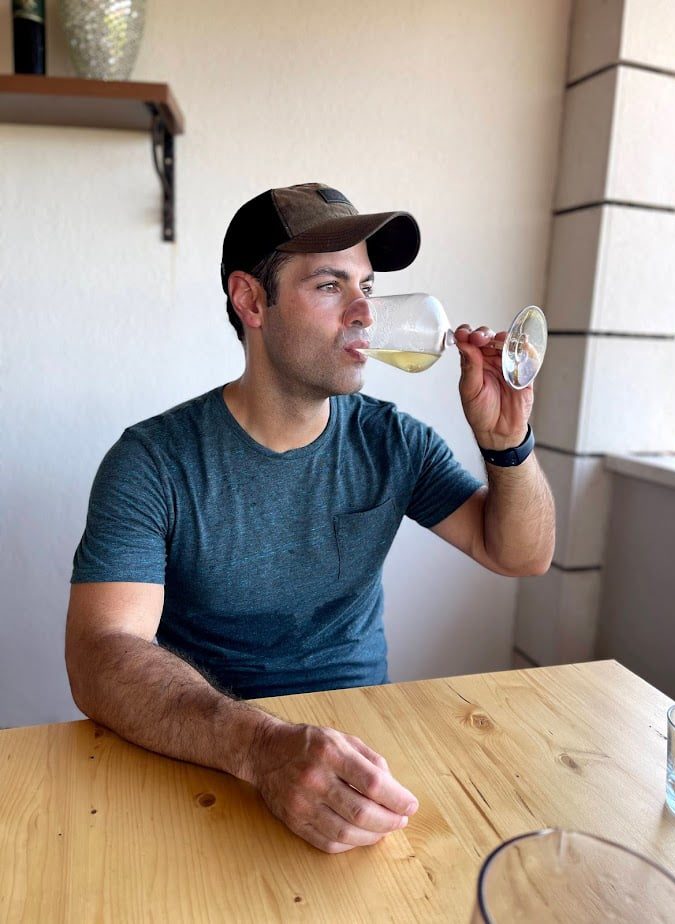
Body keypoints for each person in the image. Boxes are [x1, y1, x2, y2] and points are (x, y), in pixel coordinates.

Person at [65, 182, 555, 854]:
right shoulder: (153, 461)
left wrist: (508, 446)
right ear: (250, 300)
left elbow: (519, 555)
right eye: (330, 285)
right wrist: (261, 748)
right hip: (206, 756)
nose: (364, 312)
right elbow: (101, 655)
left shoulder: (392, 441)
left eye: (369, 287)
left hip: (361, 754)